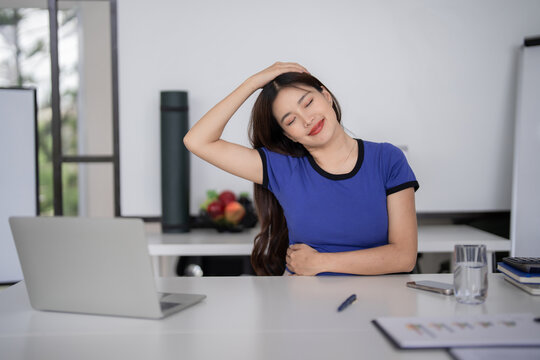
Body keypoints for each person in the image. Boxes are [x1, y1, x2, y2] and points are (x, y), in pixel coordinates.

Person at [184, 62, 419, 276]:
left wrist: (321, 262)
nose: (307, 119)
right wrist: (254, 82)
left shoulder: (387, 159)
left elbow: (404, 257)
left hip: (380, 300)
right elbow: (197, 141)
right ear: (288, 135)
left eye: (308, 103)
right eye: (290, 121)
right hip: (304, 303)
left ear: (326, 96)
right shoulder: (282, 168)